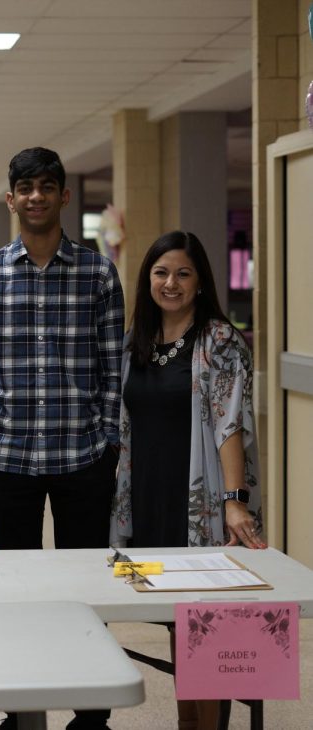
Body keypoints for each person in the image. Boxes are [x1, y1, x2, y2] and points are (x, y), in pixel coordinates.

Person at [0, 147, 124, 730]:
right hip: (7, 458)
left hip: (83, 457)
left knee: (85, 587)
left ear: (63, 196)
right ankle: (24, 711)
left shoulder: (99, 272)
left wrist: (108, 443)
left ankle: (92, 713)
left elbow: (112, 366)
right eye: (25, 187)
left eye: (46, 186)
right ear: (11, 198)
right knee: (18, 591)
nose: (35, 196)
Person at [110, 231, 265, 730]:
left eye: (183, 273)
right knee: (180, 624)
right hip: (150, 497)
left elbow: (229, 423)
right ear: (147, 278)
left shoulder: (218, 340)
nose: (170, 283)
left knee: (209, 628)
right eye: (161, 272)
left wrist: (235, 501)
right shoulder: (139, 340)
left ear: (200, 282)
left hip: (200, 502)